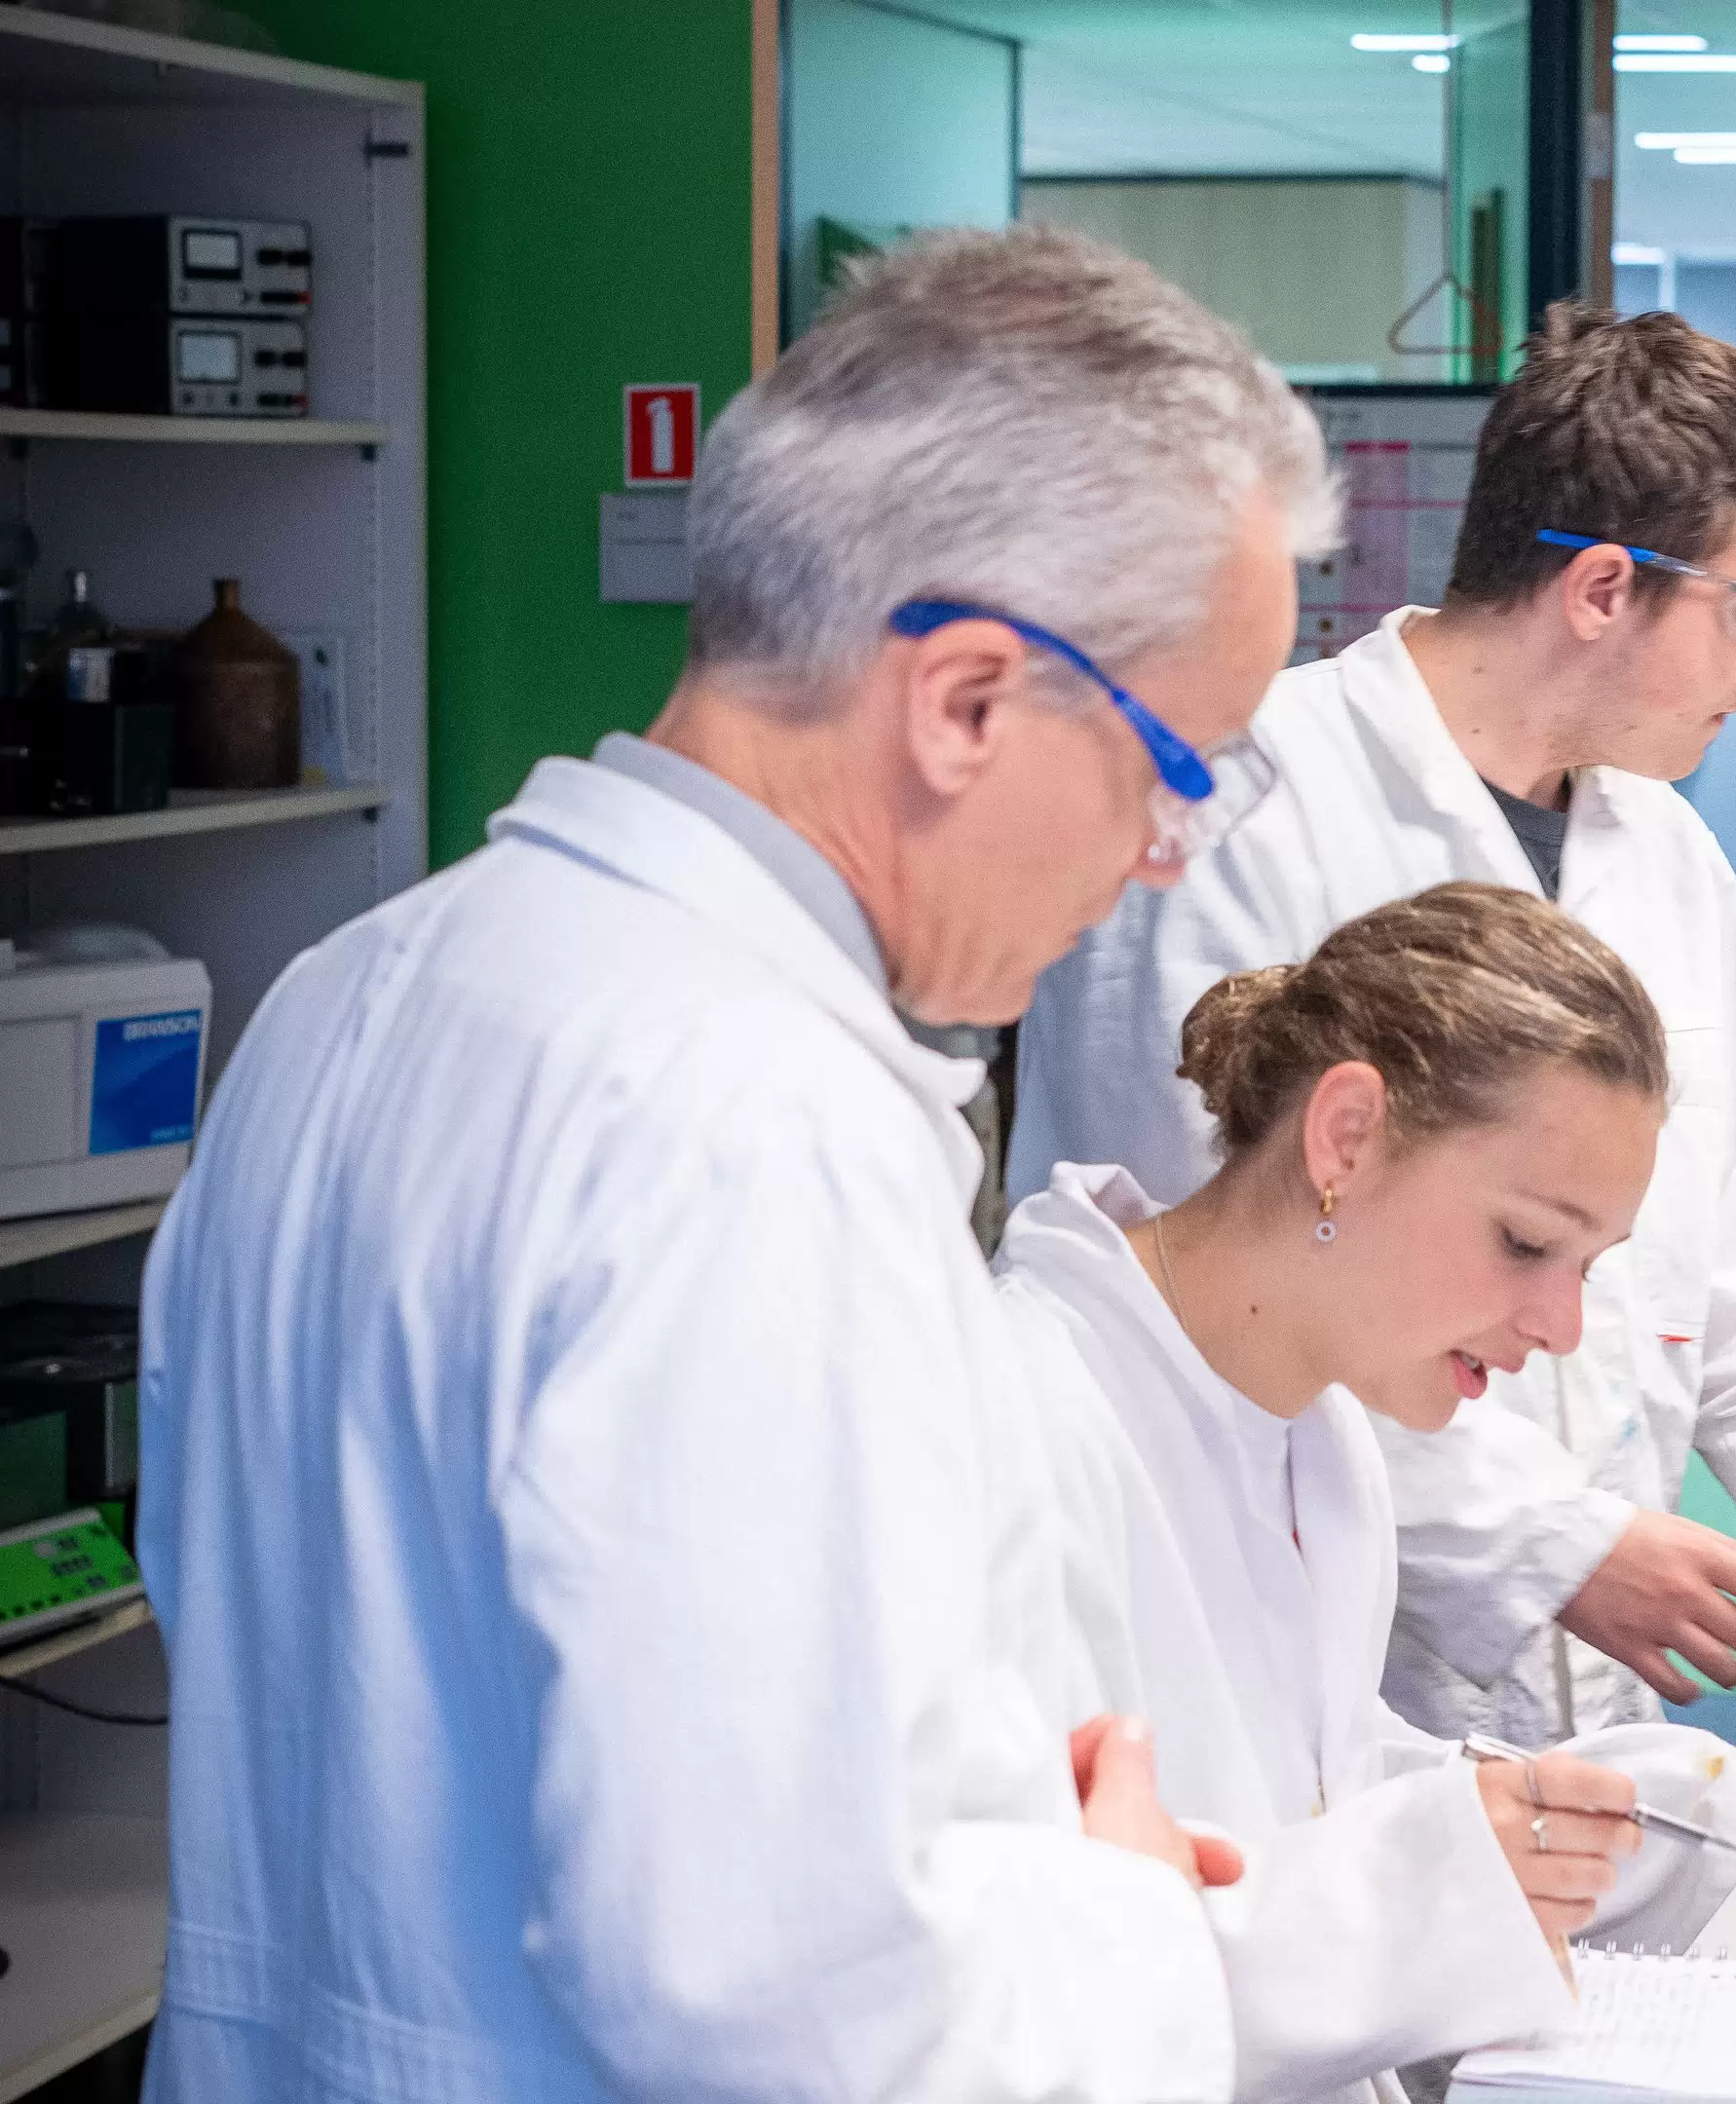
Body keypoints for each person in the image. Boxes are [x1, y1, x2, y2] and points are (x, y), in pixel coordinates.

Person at [136, 227, 1337, 2101]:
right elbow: (789, 1999)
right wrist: (1118, 1920)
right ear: (963, 704)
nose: (1166, 862)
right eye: (1179, 771)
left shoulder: (353, 989)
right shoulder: (754, 1133)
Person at [1011, 302, 1736, 1753]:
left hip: (1586, 1714)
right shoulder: (1241, 821)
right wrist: (1546, 1545)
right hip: (1277, 1664)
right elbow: (1207, 1289)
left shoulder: (1668, 859)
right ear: (1601, 592)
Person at [998, 884, 1736, 2104]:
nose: (1559, 1325)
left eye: (1588, 1268)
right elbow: (1016, 1988)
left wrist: (1685, 1809)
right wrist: (1436, 1886)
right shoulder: (1021, 1430)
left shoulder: (1309, 1424)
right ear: (1347, 1136)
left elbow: (1310, 1787)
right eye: (1529, 1245)